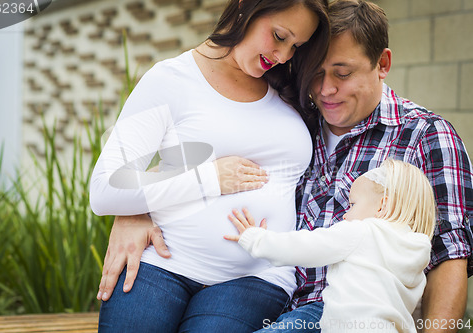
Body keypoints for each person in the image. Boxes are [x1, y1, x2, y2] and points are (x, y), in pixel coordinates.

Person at [96, 1, 473, 332]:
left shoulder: (422, 134)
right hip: (230, 283)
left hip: (322, 303)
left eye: (342, 74)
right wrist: (134, 211)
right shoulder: (299, 110)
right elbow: (121, 172)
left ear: (383, 64)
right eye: (316, 73)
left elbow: (450, 254)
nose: (326, 90)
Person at [89, 0, 330, 331]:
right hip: (162, 264)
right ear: (247, 6)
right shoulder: (170, 79)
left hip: (256, 277)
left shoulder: (292, 88)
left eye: (296, 46)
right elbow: (106, 189)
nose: (284, 55)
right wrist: (208, 179)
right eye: (278, 35)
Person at [225, 159, 437, 333]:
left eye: (353, 204)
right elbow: (415, 310)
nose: (346, 214)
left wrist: (254, 238)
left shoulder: (362, 232)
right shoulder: (418, 254)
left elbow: (305, 247)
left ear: (382, 206)